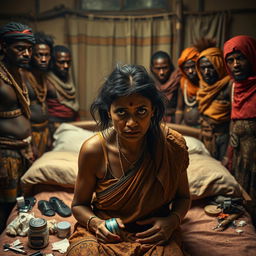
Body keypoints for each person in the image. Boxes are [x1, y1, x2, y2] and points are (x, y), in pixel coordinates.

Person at [67, 64, 190, 255]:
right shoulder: (94, 150)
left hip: (155, 236)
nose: (131, 123)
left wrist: (172, 221)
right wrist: (96, 223)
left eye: (141, 111)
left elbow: (184, 197)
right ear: (109, 112)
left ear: (153, 110)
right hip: (106, 235)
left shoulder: (172, 145)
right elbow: (78, 205)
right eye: (122, 112)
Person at [0, 22, 35, 233]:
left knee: (19, 203)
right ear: (3, 46)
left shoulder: (19, 73)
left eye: (29, 49)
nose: (27, 53)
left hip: (22, 149)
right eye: (20, 48)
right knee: (4, 206)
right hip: (4, 153)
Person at [223, 35, 256, 226]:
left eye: (240, 58)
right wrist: (228, 156)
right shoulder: (234, 86)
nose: (235, 64)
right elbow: (233, 123)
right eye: (230, 60)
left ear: (251, 56)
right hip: (240, 159)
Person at [21, 32, 53, 158]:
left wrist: (49, 133)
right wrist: (31, 142)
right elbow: (23, 112)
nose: (44, 59)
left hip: (44, 131)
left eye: (47, 55)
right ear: (31, 55)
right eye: (39, 55)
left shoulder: (43, 76)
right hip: (31, 134)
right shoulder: (23, 75)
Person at [196, 47, 231, 161]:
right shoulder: (202, 85)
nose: (206, 72)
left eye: (211, 67)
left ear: (219, 65)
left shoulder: (229, 85)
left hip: (224, 137)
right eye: (203, 68)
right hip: (205, 135)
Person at [46, 45, 79, 140]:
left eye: (68, 62)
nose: (66, 66)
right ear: (52, 62)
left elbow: (74, 107)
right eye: (61, 62)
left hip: (72, 123)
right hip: (56, 127)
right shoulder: (47, 81)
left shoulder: (68, 79)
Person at [150, 51, 181, 123]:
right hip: (155, 122)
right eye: (158, 68)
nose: (161, 72)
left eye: (164, 68)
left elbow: (180, 109)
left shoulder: (177, 81)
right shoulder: (148, 83)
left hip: (175, 123)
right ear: (152, 69)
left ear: (170, 67)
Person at [176, 47, 200, 127]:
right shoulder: (183, 83)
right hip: (185, 126)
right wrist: (177, 128)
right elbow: (179, 109)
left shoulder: (204, 85)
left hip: (200, 129)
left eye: (193, 67)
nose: (190, 71)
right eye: (187, 68)